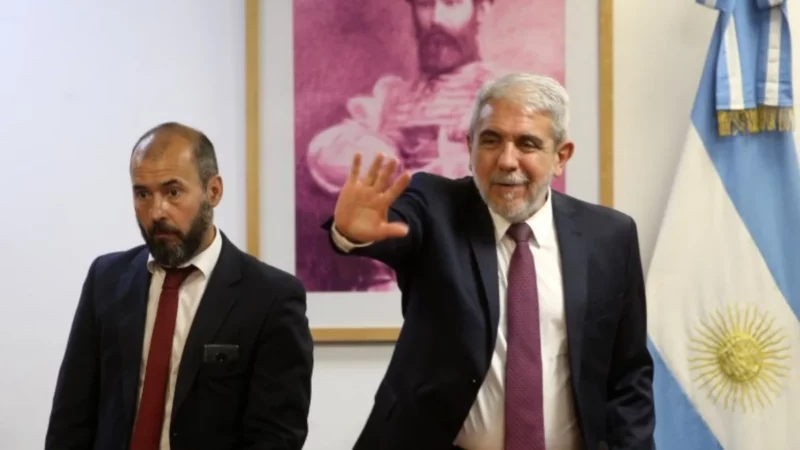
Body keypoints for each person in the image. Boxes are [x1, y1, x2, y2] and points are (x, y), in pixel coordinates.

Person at [324, 73, 655, 449]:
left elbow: (628, 376)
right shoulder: (435, 207)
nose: (507, 161)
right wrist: (353, 233)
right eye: (491, 140)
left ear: (560, 157)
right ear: (470, 147)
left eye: (527, 143)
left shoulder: (609, 237)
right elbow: (398, 227)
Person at [45, 123, 314, 450]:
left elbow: (277, 436)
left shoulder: (271, 297)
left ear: (213, 191)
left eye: (172, 192)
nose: (156, 211)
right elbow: (70, 419)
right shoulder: (106, 279)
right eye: (142, 194)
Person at [306, 0, 501, 291]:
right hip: (379, 289)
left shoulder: (502, 97)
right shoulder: (390, 97)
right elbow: (325, 155)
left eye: (451, 3)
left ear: (481, 9)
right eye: (424, 4)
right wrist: (387, 153)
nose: (435, 19)